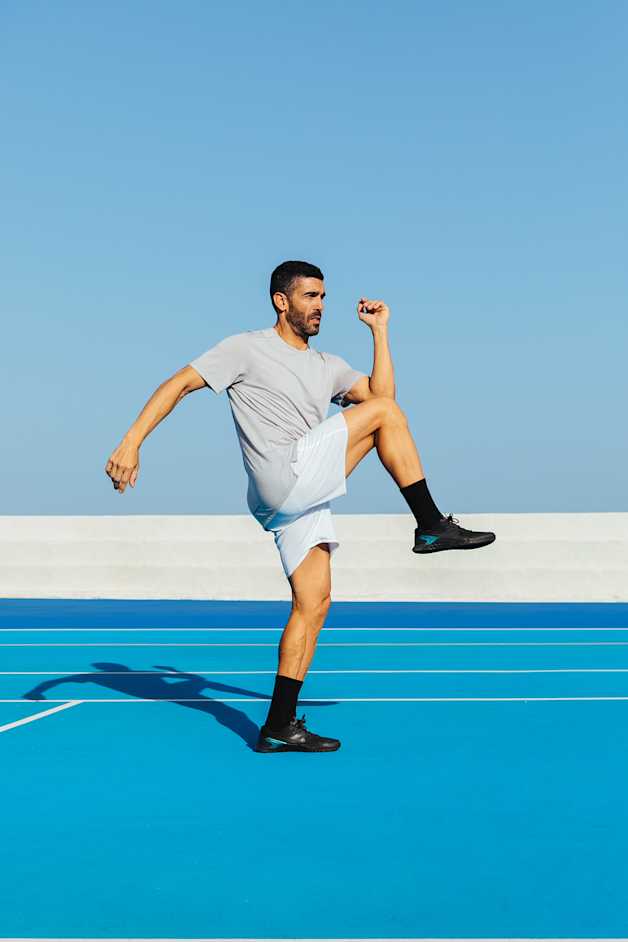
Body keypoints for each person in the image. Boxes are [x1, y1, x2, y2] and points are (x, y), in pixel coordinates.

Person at [105, 260, 495, 754]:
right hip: (282, 471)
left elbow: (385, 402)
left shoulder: (326, 365)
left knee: (313, 604)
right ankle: (431, 525)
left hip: (293, 499)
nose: (320, 307)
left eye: (324, 297)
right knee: (382, 416)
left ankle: (278, 725)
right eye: (310, 296)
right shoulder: (245, 348)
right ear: (281, 301)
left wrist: (380, 332)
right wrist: (132, 441)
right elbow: (179, 383)